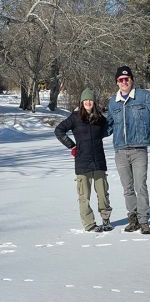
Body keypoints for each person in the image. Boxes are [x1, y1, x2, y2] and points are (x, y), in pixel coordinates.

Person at [106, 66, 150, 234]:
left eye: (127, 79)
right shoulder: (112, 102)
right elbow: (108, 125)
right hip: (120, 151)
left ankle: (144, 221)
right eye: (120, 80)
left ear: (131, 79)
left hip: (139, 150)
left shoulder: (144, 96)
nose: (124, 82)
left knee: (141, 186)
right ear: (117, 82)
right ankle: (133, 219)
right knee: (127, 188)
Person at [55, 88, 112, 233]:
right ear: (82, 102)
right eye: (85, 100)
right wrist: (71, 146)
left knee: (103, 194)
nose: (88, 102)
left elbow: (108, 129)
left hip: (99, 161)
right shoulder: (75, 117)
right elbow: (59, 130)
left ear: (94, 102)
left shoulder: (100, 118)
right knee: (84, 197)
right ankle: (90, 224)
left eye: (90, 100)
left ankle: (106, 220)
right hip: (82, 162)